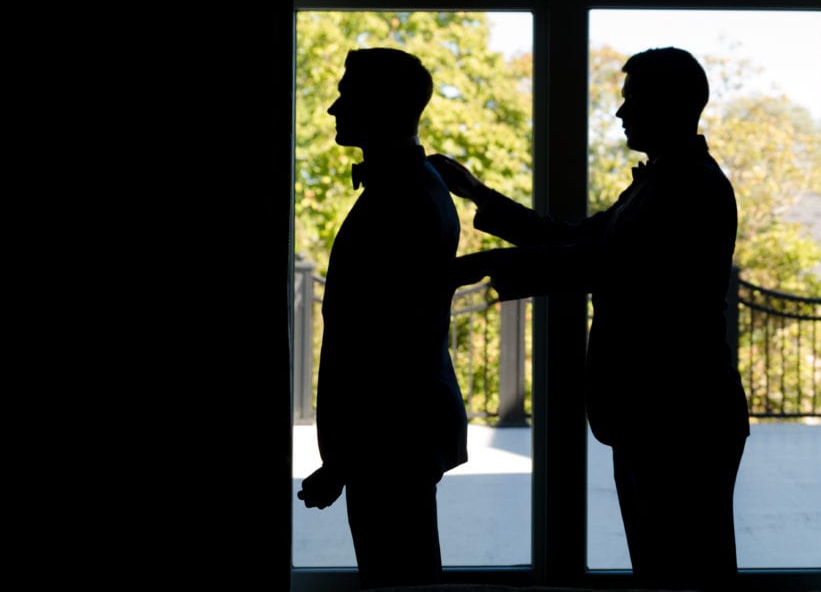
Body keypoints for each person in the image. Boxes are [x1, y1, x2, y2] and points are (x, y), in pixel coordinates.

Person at [428, 47, 750, 590]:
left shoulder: (690, 186)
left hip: (679, 413)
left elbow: (601, 263)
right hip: (670, 410)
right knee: (673, 566)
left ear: (668, 104)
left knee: (684, 572)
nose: (621, 114)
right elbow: (575, 236)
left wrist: (480, 266)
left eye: (631, 100)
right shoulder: (665, 182)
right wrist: (479, 195)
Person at [298, 47, 468, 589]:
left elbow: (392, 346)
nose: (332, 108)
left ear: (382, 106)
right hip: (397, 438)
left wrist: (344, 461)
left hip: (392, 440)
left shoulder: (403, 199)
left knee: (400, 587)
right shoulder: (414, 190)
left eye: (347, 95)